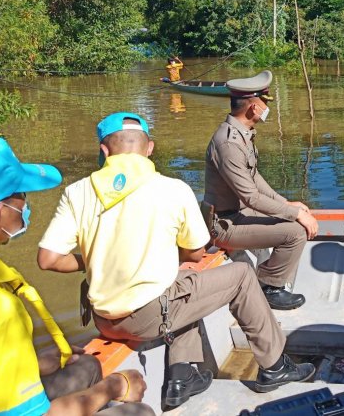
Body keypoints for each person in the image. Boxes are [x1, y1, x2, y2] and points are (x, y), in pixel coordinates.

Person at [37, 112, 315, 408]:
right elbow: (196, 252)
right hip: (148, 316)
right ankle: (275, 367)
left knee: (182, 285)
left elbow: (49, 259)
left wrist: (94, 258)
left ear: (104, 151)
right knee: (241, 277)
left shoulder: (76, 192)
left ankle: (182, 377)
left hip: (104, 319)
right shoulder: (172, 189)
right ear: (150, 148)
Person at [0, 137, 152, 415]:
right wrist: (112, 387)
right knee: (140, 413)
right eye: (21, 196)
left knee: (87, 365)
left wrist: (35, 362)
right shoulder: (0, 307)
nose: (26, 206)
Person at [205, 70, 319, 310]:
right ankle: (269, 288)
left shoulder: (242, 134)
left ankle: (270, 280)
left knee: (293, 219)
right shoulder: (228, 143)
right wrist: (295, 214)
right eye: (264, 103)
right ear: (253, 108)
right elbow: (251, 196)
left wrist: (286, 204)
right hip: (224, 224)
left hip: (240, 213)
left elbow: (254, 178)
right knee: (295, 232)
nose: (267, 108)